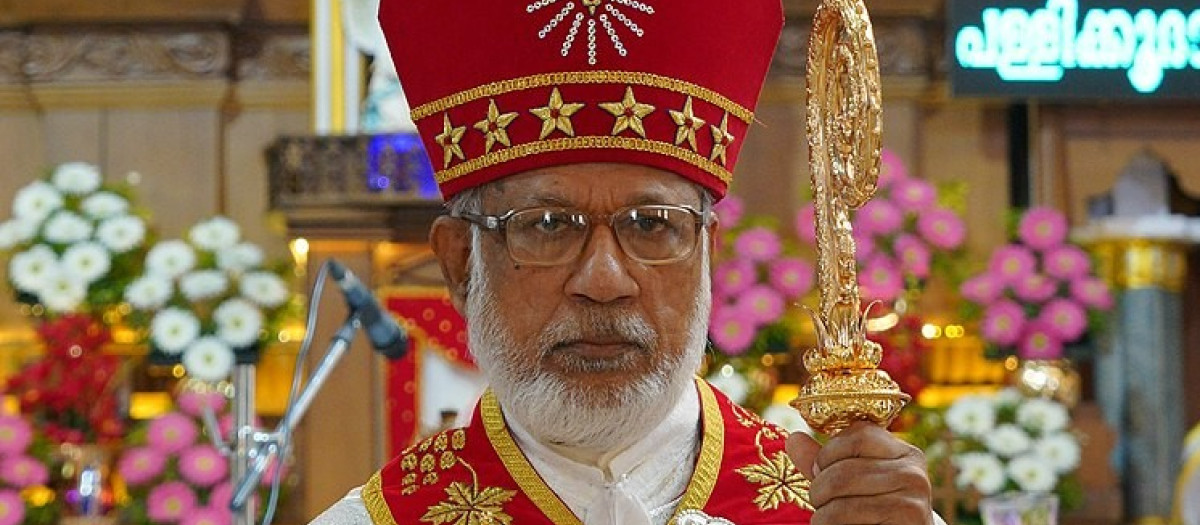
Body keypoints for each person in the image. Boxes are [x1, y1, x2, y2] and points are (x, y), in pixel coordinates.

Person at [312, 0, 937, 523]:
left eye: (653, 225)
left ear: (707, 256)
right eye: (548, 225)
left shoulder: (846, 512)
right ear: (459, 263)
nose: (605, 282)